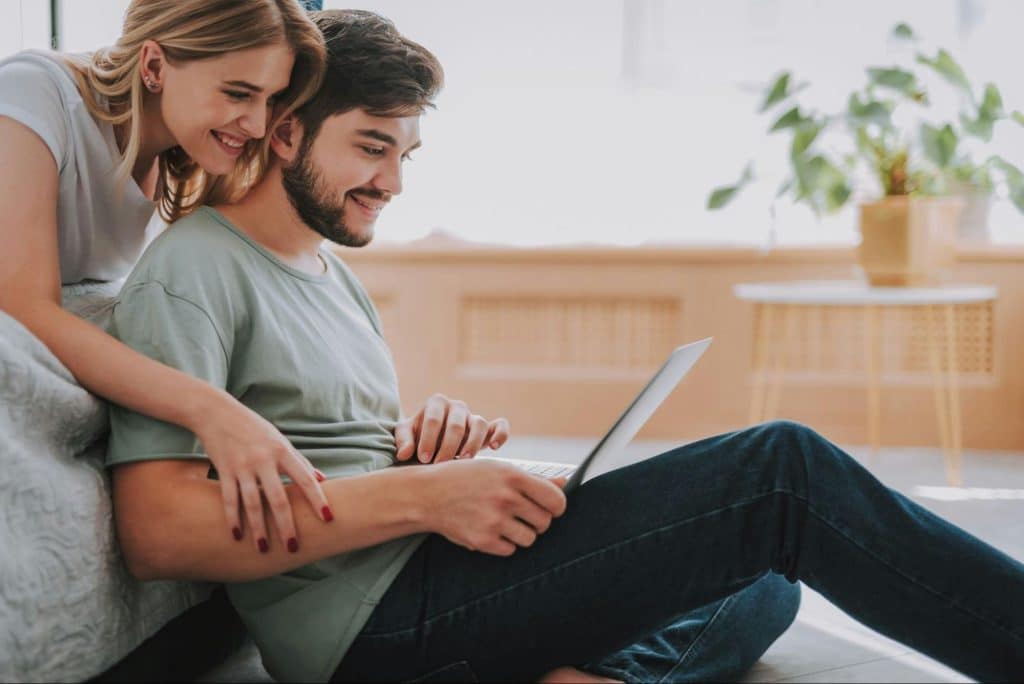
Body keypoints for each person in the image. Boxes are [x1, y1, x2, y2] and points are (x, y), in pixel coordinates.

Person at [104, 9, 1024, 683]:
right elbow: (156, 531)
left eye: (404, 157)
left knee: (765, 572)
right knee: (782, 476)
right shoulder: (192, 271)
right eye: (371, 148)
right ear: (288, 130)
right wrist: (425, 495)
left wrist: (430, 445)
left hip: (423, 572)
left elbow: (317, 452)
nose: (391, 182)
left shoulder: (330, 275)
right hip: (366, 629)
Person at [0, 0, 336, 552]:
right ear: (154, 66)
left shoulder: (184, 154)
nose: (256, 124)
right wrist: (210, 408)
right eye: (238, 93)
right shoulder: (33, 92)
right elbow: (24, 310)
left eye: (271, 99)